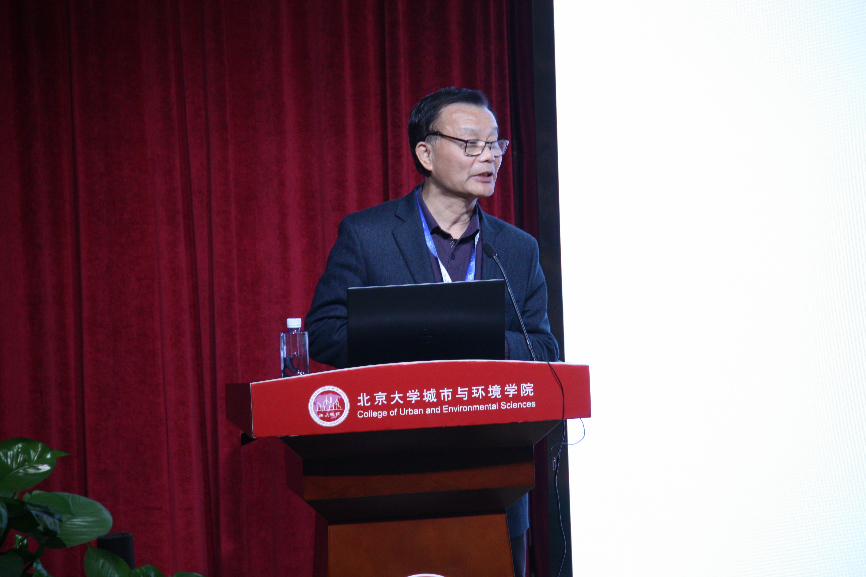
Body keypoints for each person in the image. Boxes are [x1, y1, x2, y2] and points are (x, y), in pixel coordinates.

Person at [305, 87, 560, 577]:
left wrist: (473, 338)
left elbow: (544, 348)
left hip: (493, 483)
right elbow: (324, 330)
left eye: (495, 144)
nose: (489, 156)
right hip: (386, 477)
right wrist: (415, 336)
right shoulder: (368, 234)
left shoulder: (518, 247)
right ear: (425, 153)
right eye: (470, 144)